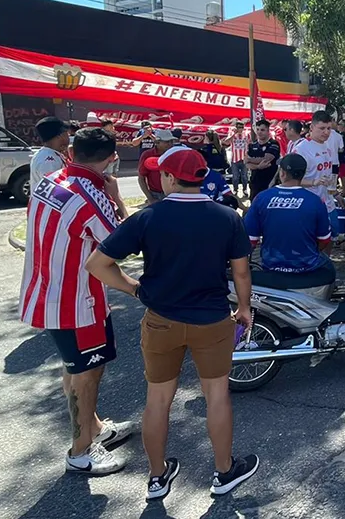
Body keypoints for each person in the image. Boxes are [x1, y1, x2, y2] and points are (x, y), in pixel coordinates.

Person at [86, 146, 258, 500]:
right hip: (211, 319)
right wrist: (244, 307)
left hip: (161, 319)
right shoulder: (227, 217)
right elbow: (241, 271)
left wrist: (135, 290)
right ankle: (224, 471)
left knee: (158, 400)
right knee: (216, 397)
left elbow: (97, 264)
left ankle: (157, 477)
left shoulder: (148, 218)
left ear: (167, 177)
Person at [19, 127, 135, 476]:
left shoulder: (50, 179)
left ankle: (93, 426)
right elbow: (121, 242)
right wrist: (117, 198)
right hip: (77, 301)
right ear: (112, 159)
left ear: (72, 149)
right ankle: (81, 450)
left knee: (75, 367)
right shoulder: (90, 194)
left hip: (46, 291)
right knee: (89, 372)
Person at [244, 154, 337, 290]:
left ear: (282, 173)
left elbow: (250, 241)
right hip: (307, 267)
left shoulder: (261, 198)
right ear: (303, 174)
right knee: (329, 268)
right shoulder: (316, 201)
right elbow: (324, 240)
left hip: (271, 266)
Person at [292, 111, 341, 234]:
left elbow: (329, 174)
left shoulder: (328, 146)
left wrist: (335, 194)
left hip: (328, 203)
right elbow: (291, 180)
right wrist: (314, 182)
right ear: (312, 127)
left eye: (329, 128)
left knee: (332, 236)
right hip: (309, 204)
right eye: (322, 128)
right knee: (313, 240)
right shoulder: (301, 149)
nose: (326, 132)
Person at [245, 119, 282, 200]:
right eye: (257, 129)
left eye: (262, 130)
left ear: (268, 131)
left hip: (269, 182)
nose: (259, 132)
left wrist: (250, 159)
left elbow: (266, 160)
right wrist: (258, 166)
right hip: (254, 183)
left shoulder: (274, 144)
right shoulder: (252, 145)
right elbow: (246, 163)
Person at [138, 130, 176, 205]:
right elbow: (141, 177)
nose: (170, 144)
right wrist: (150, 198)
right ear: (157, 142)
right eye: (167, 142)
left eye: (171, 141)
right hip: (156, 195)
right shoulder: (148, 155)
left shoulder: (175, 154)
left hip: (174, 194)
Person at [30, 117, 69, 186]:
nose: (68, 136)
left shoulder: (49, 154)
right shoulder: (49, 159)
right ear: (60, 136)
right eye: (67, 133)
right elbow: (54, 188)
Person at [222, 121, 251, 196]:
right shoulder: (232, 134)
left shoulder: (246, 134)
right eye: (238, 127)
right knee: (235, 177)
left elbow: (250, 143)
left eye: (241, 127)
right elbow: (226, 142)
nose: (240, 129)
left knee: (244, 176)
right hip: (235, 159)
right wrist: (234, 134)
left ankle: (245, 189)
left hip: (244, 159)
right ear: (236, 127)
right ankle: (235, 189)